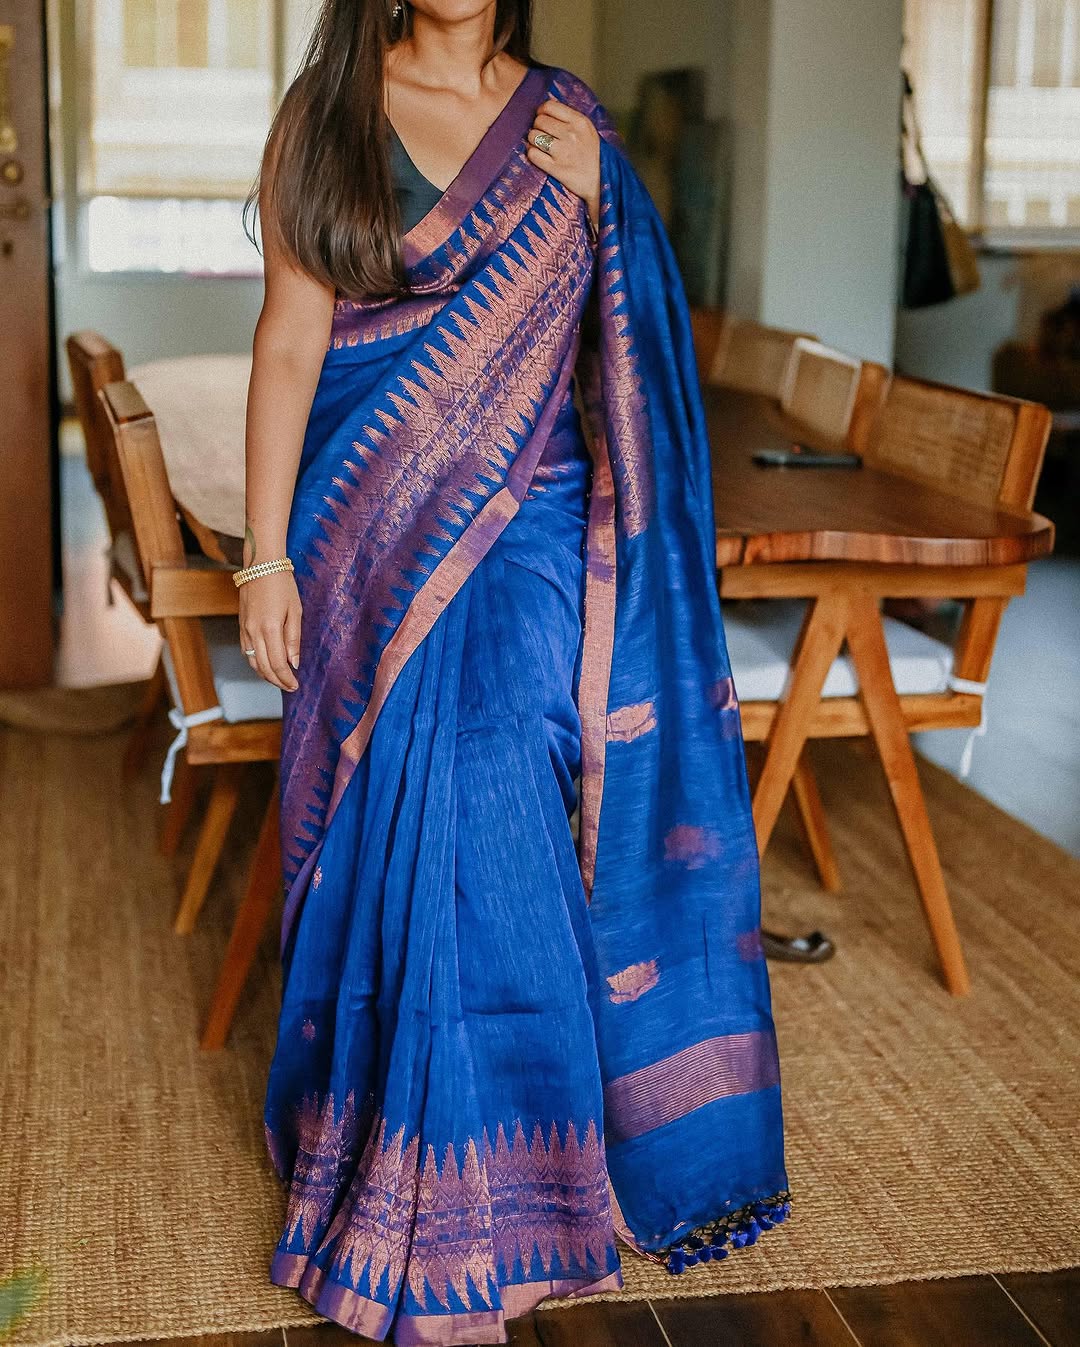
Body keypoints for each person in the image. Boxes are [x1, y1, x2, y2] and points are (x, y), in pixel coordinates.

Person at [239, 1, 791, 1341]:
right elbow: (293, 341)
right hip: (370, 532)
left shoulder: (565, 122)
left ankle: (519, 1194)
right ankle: (404, 1166)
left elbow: (635, 341)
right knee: (412, 793)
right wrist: (264, 561)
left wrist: (614, 207)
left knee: (488, 765)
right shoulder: (326, 116)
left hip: (541, 526)